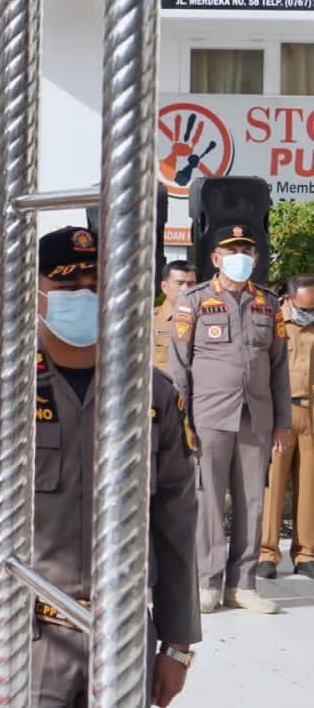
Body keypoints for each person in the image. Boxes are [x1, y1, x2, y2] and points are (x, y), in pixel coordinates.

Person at [0, 226, 199, 707]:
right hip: (27, 634)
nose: (85, 296)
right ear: (35, 296)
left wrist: (178, 646)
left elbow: (177, 522)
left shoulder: (152, 394)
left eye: (97, 285)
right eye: (68, 287)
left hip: (125, 632)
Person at [170, 226, 293, 614]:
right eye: (231, 250)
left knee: (252, 501)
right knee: (208, 500)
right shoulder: (194, 301)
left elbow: (279, 368)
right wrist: (180, 419)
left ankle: (244, 584)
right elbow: (178, 367)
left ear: (255, 259)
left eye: (246, 250)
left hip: (255, 415)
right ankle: (208, 582)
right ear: (216, 259)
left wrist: (281, 421)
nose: (239, 256)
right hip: (208, 414)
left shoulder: (268, 303)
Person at [261, 274, 314, 580]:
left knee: (308, 487)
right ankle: (266, 552)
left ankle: (306, 552)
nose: (309, 312)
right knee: (273, 483)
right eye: (305, 306)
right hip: (280, 413)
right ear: (290, 299)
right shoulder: (273, 323)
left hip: (311, 413)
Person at [154, 260, 197, 373]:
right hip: (164, 388)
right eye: (179, 283)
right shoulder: (151, 321)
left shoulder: (205, 321)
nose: (185, 289)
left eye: (191, 284)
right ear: (164, 287)